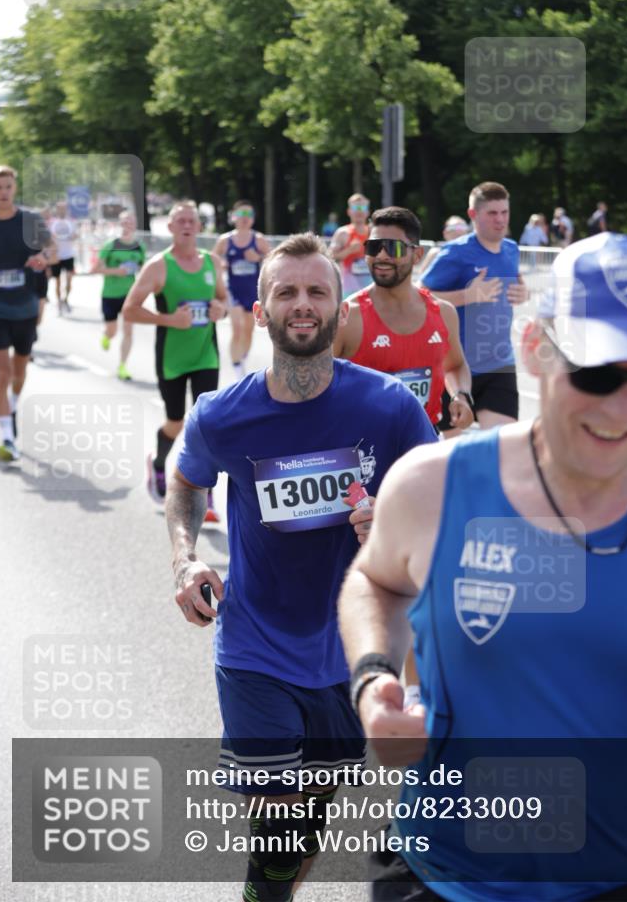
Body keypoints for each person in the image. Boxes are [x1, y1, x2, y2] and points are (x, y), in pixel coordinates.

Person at [339, 232, 627, 902]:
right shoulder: (433, 483)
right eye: (596, 375)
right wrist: (374, 680)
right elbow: (376, 579)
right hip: (446, 876)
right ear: (535, 347)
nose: (622, 410)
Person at [166, 233, 436, 901]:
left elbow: (439, 496)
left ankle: (270, 890)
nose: (302, 304)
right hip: (255, 644)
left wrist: (391, 516)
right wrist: (185, 555)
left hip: (350, 653)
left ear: (342, 311)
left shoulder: (387, 407)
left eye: (317, 291)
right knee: (279, 801)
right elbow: (185, 483)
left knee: (310, 802)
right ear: (259, 312)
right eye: (285, 291)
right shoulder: (220, 416)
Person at [122, 201, 227, 522]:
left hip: (206, 354)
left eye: (191, 220)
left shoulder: (212, 263)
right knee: (176, 422)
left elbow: (222, 298)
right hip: (171, 358)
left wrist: (219, 310)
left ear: (199, 227)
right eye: (180, 220)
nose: (186, 225)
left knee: (205, 423)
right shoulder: (158, 266)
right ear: (169, 227)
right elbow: (129, 309)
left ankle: (205, 495)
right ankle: (157, 464)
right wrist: (169, 320)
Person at [334, 206, 474, 436]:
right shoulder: (347, 317)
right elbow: (315, 386)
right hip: (364, 452)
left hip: (422, 446)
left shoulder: (443, 314)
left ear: (417, 255)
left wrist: (461, 395)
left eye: (392, 248)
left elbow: (456, 365)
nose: (381, 255)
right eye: (374, 247)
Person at [420, 182, 529, 434]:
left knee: (503, 444)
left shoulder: (511, 250)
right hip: (454, 367)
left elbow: (517, 281)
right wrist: (467, 295)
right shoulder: (455, 253)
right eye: (492, 213)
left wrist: (524, 292)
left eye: (504, 212)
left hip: (498, 364)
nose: (500, 220)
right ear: (473, 215)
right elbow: (421, 296)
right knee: (454, 451)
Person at [0, 164, 54, 460]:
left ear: (14, 189)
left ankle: (14, 404)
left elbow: (53, 250)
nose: (2, 192)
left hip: (26, 307)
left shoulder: (30, 220)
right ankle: (7, 438)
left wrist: (42, 257)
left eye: (7, 187)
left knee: (19, 372)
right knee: (1, 373)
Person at [214, 200, 270, 380]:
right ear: (234, 217)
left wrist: (259, 257)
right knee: (236, 329)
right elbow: (212, 261)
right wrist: (221, 265)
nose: (245, 219)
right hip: (233, 291)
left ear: (253, 219)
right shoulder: (225, 240)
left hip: (252, 291)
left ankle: (242, 358)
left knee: (248, 330)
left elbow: (274, 260)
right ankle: (237, 367)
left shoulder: (258, 239)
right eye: (241, 214)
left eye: (249, 215)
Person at [92, 211, 146, 381]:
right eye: (124, 222)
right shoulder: (110, 245)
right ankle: (106, 336)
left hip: (130, 295)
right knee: (113, 330)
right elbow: (95, 269)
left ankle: (123, 365)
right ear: (120, 225)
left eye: (130, 222)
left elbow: (143, 270)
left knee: (128, 331)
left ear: (135, 225)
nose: (127, 225)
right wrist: (117, 271)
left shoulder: (139, 247)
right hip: (110, 294)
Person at [329, 193, 372, 297]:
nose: (359, 210)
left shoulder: (373, 233)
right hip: (348, 289)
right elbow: (329, 257)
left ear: (368, 212)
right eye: (355, 207)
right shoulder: (342, 233)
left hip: (371, 288)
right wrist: (349, 250)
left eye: (363, 207)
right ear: (349, 211)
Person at [47, 201, 79, 313]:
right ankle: (59, 303)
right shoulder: (52, 222)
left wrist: (72, 236)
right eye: (60, 208)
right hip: (57, 256)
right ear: (57, 209)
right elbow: (47, 237)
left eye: (64, 208)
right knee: (57, 281)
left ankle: (66, 300)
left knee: (69, 281)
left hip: (69, 255)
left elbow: (76, 235)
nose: (62, 210)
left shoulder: (72, 221)